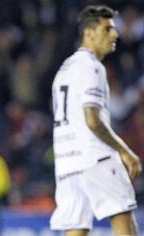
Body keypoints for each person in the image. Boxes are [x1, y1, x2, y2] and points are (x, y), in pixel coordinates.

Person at [50, 5, 142, 236]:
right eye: (107, 29)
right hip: (96, 157)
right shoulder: (92, 67)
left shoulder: (63, 70)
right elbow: (92, 119)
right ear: (89, 33)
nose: (115, 34)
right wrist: (124, 151)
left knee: (75, 229)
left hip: (66, 161)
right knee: (123, 220)